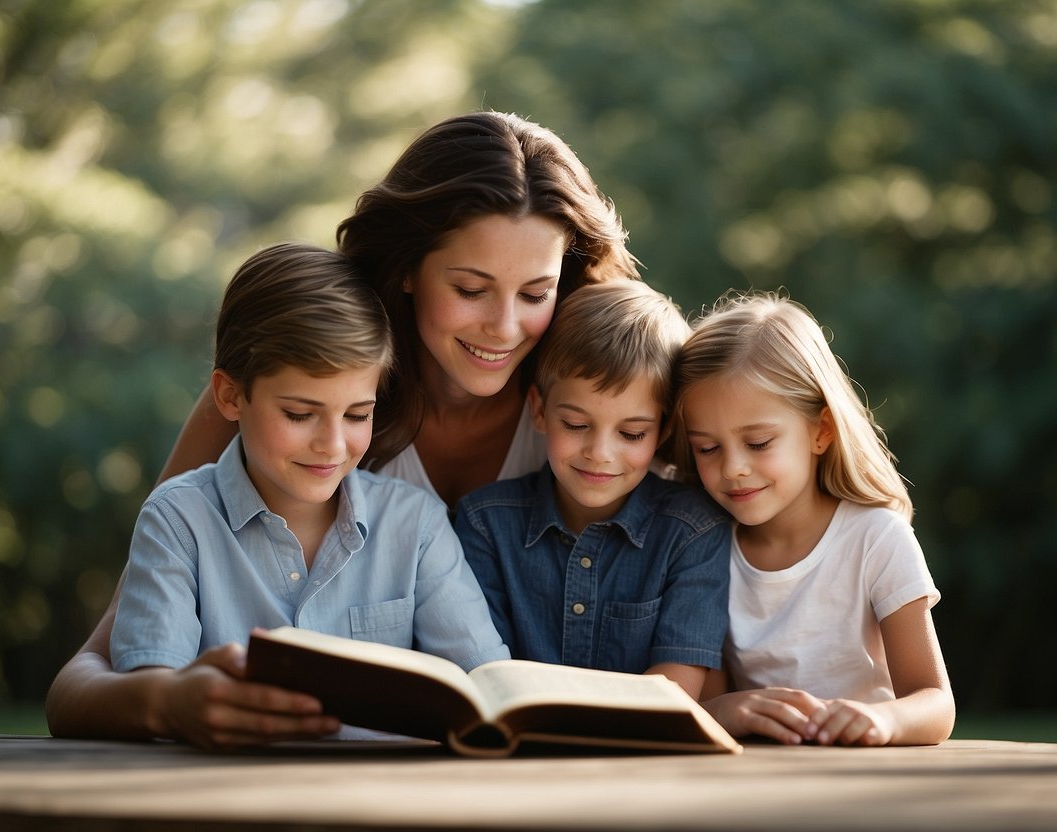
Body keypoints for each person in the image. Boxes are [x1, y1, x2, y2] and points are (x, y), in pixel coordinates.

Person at [45, 111, 639, 746]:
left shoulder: (603, 407)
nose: (503, 326)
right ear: (408, 268)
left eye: (535, 293)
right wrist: (169, 702)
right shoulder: (288, 381)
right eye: (471, 288)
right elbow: (90, 672)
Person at [107, 243, 509, 748]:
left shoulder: (416, 526)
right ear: (231, 396)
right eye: (299, 414)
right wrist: (176, 701)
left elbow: (489, 686)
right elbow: (147, 683)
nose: (333, 444)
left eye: (358, 415)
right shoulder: (178, 520)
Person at [674, 291, 955, 746]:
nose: (732, 468)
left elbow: (935, 702)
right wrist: (724, 711)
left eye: (759, 442)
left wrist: (882, 721)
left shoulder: (877, 539)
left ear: (820, 431)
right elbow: (710, 703)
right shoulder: (702, 544)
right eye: (707, 448)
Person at [454, 281, 730, 700]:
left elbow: (676, 689)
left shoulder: (692, 530)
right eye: (577, 425)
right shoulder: (485, 523)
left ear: (665, 428)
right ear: (540, 410)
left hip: (641, 756)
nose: (600, 454)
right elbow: (485, 677)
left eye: (632, 433)